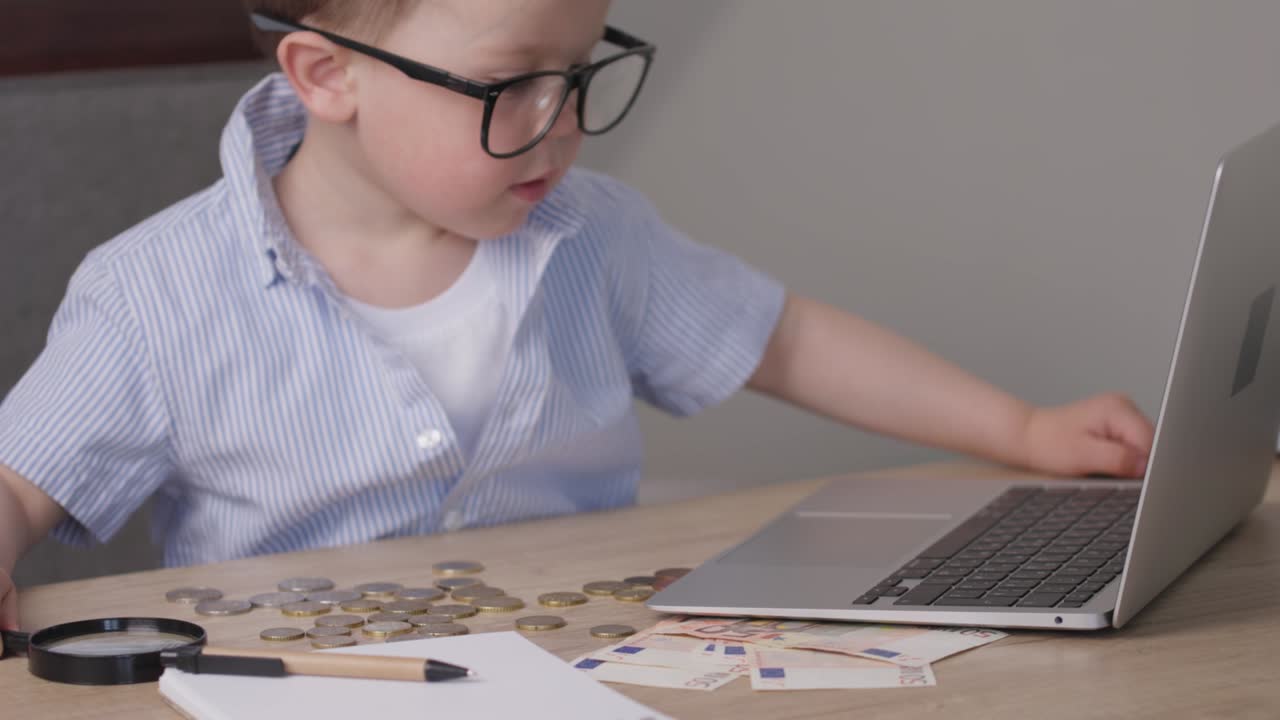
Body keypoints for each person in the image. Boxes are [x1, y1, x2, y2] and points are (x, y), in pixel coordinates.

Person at [0, 0, 1154, 640]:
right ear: (323, 74)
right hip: (297, 679)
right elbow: (17, 483)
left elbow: (781, 338)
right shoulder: (154, 291)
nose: (559, 123)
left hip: (582, 658)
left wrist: (1021, 430)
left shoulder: (595, 231)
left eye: (579, 70)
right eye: (510, 86)